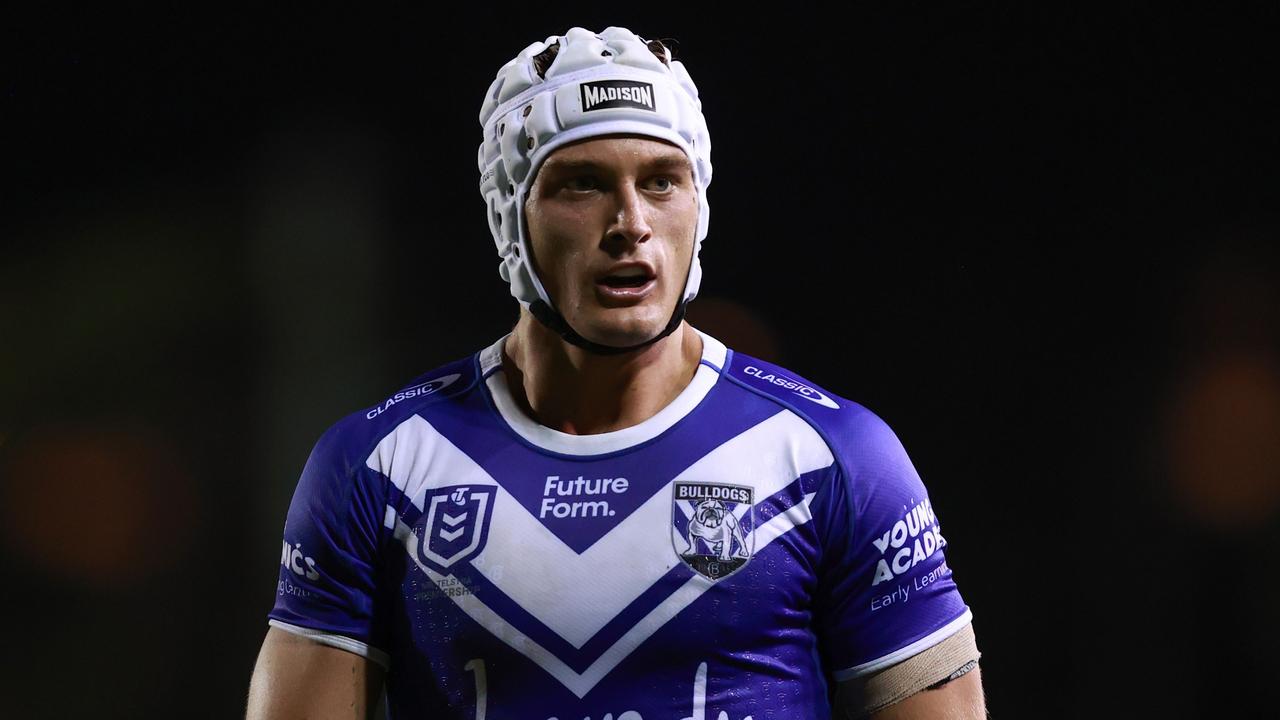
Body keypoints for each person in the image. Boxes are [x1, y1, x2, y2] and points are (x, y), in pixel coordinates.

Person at [246, 26, 985, 720]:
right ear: (511, 214)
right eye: (582, 184)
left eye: (662, 181)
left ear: (699, 204)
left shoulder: (836, 459)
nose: (630, 221)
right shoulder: (376, 468)